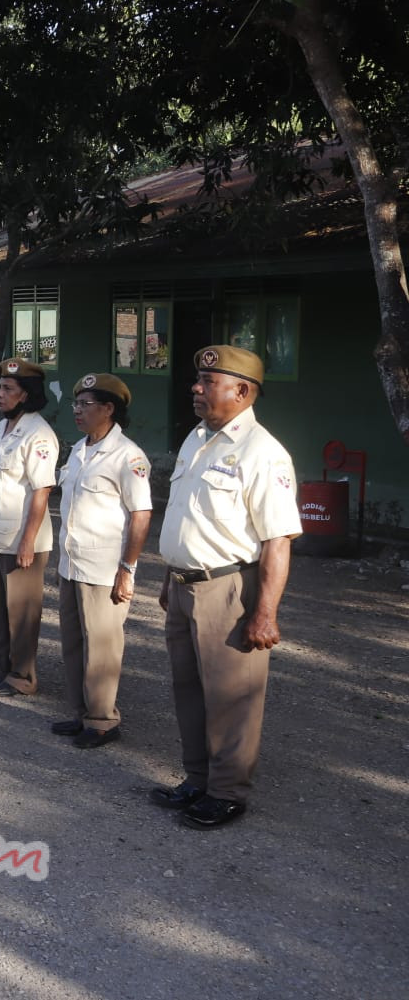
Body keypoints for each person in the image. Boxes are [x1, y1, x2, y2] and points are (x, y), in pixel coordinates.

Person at [151, 345, 301, 830]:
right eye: (198, 379)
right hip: (183, 585)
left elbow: (277, 540)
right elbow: (187, 517)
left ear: (241, 390)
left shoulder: (263, 453)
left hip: (229, 589)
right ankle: (197, 779)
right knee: (188, 689)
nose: (195, 388)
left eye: (207, 381)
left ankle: (228, 791)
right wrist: (168, 576)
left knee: (232, 696)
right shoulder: (198, 438)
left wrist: (266, 613)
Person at [54, 373, 152, 749]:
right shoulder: (79, 449)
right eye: (75, 404)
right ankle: (81, 711)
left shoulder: (128, 456)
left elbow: (141, 514)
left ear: (109, 409)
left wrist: (127, 568)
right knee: (74, 641)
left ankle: (103, 720)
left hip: (104, 567)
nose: (77, 411)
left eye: (86, 405)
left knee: (102, 644)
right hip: (72, 563)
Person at [0, 358, 59, 697]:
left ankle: (23, 675)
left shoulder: (38, 435)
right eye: (0, 387)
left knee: (21, 613)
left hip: (23, 540)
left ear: (26, 395)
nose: (0, 394)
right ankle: (2, 670)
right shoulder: (0, 428)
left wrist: (28, 541)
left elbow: (42, 491)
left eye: (8, 389)